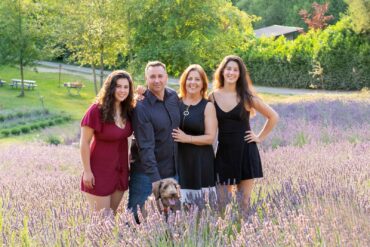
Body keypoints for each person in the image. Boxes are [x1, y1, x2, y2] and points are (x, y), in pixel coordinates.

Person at [209, 55, 279, 210]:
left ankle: (245, 232)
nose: (231, 73)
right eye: (228, 69)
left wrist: (259, 137)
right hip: (224, 153)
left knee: (244, 204)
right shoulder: (213, 97)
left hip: (245, 152)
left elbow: (273, 116)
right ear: (222, 71)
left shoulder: (246, 97)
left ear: (240, 74)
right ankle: (224, 234)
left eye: (235, 70)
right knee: (221, 204)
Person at [128, 61, 180, 219]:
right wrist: (156, 180)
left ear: (166, 77)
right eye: (152, 77)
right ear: (146, 78)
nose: (157, 80)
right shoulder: (141, 106)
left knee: (169, 220)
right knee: (136, 219)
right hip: (146, 175)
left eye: (160, 76)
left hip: (172, 173)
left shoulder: (173, 96)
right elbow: (145, 146)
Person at [80, 70, 135, 214]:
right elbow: (84, 142)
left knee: (112, 217)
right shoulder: (96, 110)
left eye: (126, 87)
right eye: (118, 86)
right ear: (110, 88)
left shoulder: (128, 110)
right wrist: (87, 171)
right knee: (102, 220)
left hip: (120, 169)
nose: (122, 90)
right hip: (99, 171)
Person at [171, 64, 218, 203]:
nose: (193, 82)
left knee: (199, 208)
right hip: (177, 159)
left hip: (199, 161)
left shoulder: (208, 106)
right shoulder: (174, 101)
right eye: (189, 79)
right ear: (184, 81)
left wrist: (187, 138)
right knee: (174, 206)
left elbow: (210, 138)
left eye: (197, 79)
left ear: (203, 83)